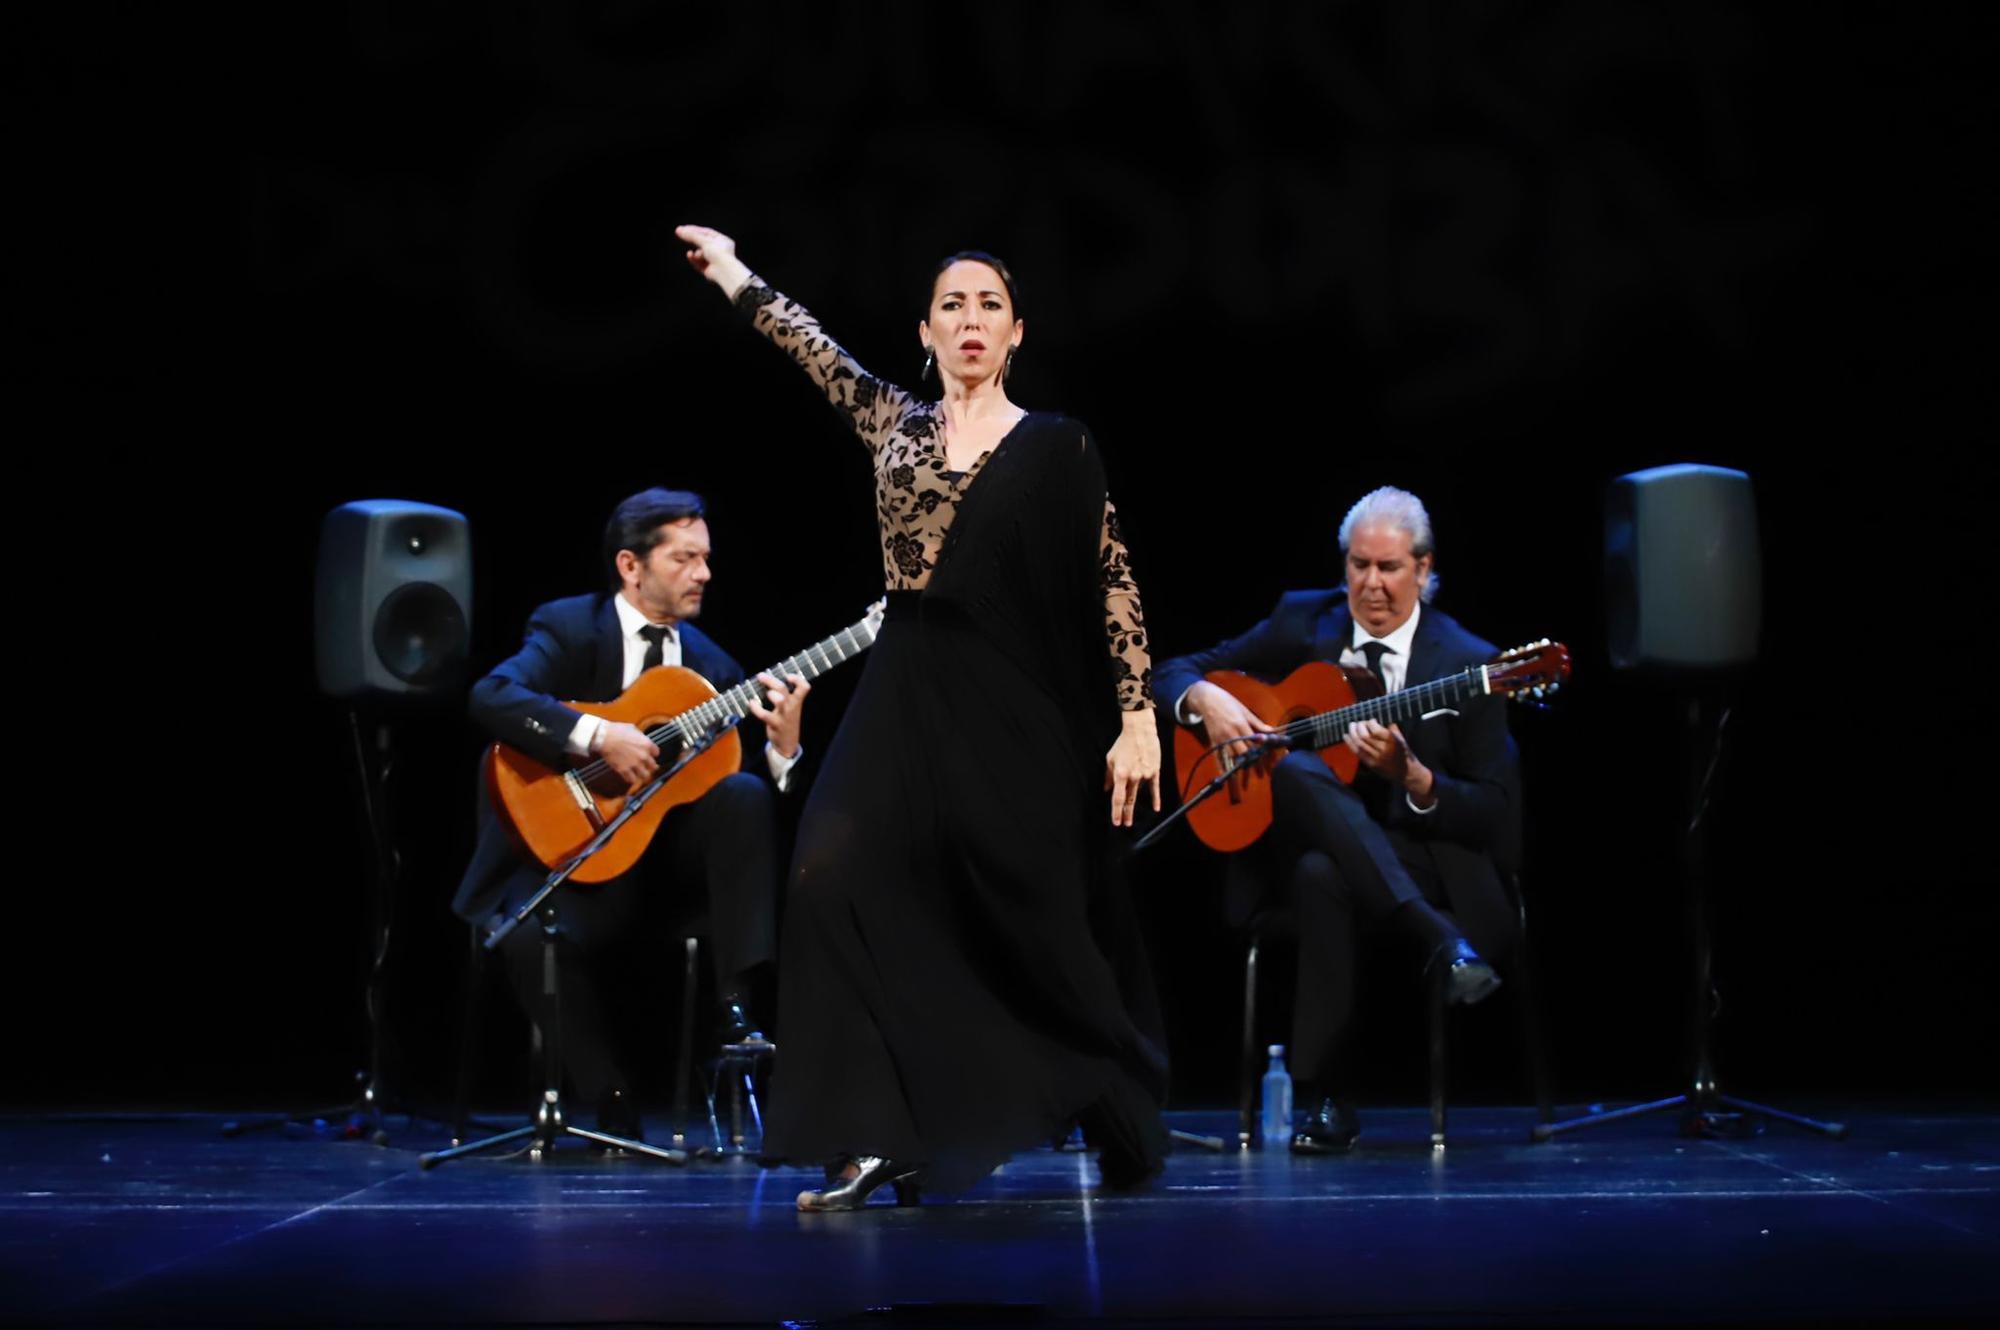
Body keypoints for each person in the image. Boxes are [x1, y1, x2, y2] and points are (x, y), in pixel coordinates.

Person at [676, 223, 1169, 1208]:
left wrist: (1136, 716)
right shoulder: (890, 421)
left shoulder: (1057, 445)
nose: (971, 319)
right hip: (905, 679)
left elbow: (1109, 579)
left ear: (1016, 331)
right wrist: (734, 273)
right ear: (926, 330)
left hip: (1015, 698)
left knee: (1027, 919)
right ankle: (870, 1132)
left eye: (989, 304)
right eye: (953, 304)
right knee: (826, 867)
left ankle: (1107, 1095)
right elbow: (806, 344)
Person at [1155, 486, 1517, 1154]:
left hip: (1423, 857)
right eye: (1359, 566)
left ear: (1425, 570)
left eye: (1389, 568)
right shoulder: (1303, 622)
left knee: (1325, 874)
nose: (1371, 585)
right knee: (1293, 770)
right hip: (1288, 848)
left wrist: (1415, 779)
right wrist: (1203, 698)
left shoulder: (1469, 663)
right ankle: (1435, 941)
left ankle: (1325, 1099)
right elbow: (1173, 671)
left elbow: (1495, 812)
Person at [452, 487, 809, 1141]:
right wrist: (597, 736)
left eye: (706, 558)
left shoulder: (714, 670)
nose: (704, 573)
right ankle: (610, 1095)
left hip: (664, 881)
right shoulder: (566, 627)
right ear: (631, 566)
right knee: (529, 934)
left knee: (747, 795)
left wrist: (783, 753)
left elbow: (737, 810)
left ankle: (737, 1012)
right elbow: (493, 695)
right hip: (575, 861)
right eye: (685, 558)